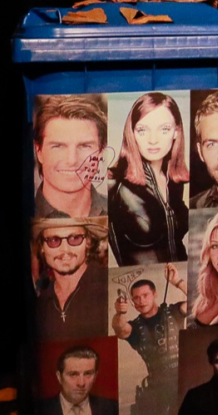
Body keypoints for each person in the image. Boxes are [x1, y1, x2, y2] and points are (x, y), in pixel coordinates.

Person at [107, 93, 191, 264]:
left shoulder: (173, 180)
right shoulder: (113, 183)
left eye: (164, 129)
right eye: (143, 130)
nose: (153, 140)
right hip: (142, 278)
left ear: (176, 132)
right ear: (132, 133)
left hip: (180, 277)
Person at [114, 269, 184, 415]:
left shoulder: (174, 311)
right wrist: (119, 313)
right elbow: (120, 329)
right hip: (156, 387)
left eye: (145, 295)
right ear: (132, 302)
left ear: (155, 294)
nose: (141, 300)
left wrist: (177, 282)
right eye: (136, 298)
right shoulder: (134, 328)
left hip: (182, 380)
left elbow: (200, 301)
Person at [31, 95, 110, 224]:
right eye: (58, 146)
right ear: (38, 151)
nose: (72, 160)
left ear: (100, 152)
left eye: (84, 146)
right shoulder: (25, 213)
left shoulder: (120, 211)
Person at [33, 217, 111, 341]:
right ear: (42, 247)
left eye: (74, 239)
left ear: (88, 242)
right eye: (54, 240)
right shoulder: (40, 304)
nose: (65, 250)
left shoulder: (108, 287)